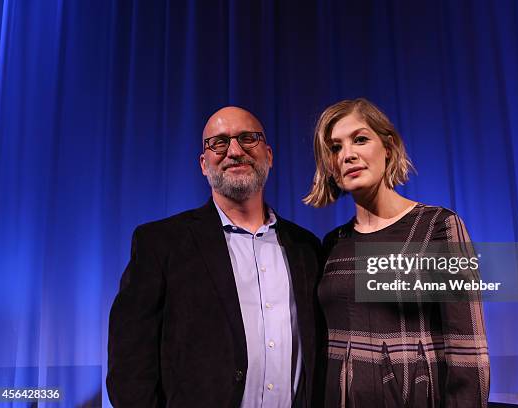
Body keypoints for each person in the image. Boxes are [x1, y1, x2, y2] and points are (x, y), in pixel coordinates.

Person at [108, 106, 323, 407]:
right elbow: (129, 367)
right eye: (219, 143)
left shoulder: (307, 248)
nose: (234, 151)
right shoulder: (160, 244)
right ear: (203, 164)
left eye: (248, 138)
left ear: (270, 155)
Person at [304, 98, 489, 407]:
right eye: (335, 148)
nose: (348, 155)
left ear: (387, 147)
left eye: (360, 139)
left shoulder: (438, 227)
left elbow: (467, 348)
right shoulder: (332, 244)